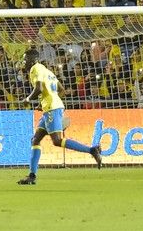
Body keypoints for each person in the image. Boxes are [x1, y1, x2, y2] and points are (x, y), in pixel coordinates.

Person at [17, 49, 102, 185]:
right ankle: (32, 176)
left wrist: (28, 99)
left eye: (25, 59)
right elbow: (62, 90)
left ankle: (92, 150)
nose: (24, 62)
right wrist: (44, 103)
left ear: (32, 60)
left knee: (57, 141)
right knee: (35, 140)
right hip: (50, 107)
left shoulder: (35, 68)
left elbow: (38, 88)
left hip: (52, 108)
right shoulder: (47, 71)